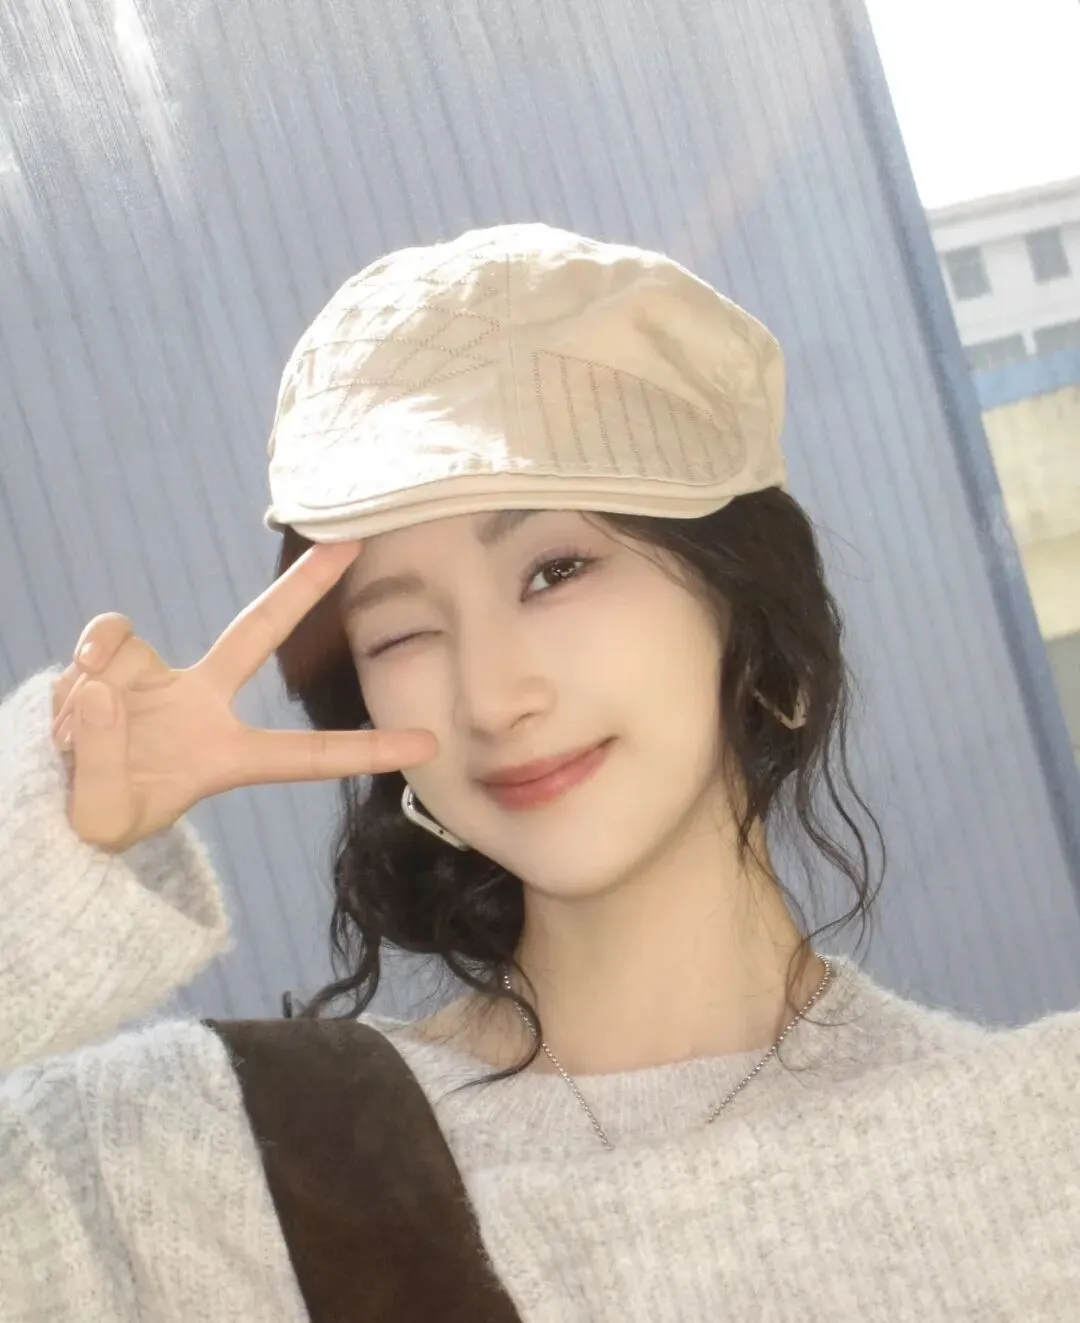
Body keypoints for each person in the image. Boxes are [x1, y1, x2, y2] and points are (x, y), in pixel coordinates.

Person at [1, 222, 1077, 1321]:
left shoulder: (1042, 1150)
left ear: (744, 599)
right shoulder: (194, 1175)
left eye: (555, 571)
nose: (491, 695)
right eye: (401, 632)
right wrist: (42, 848)